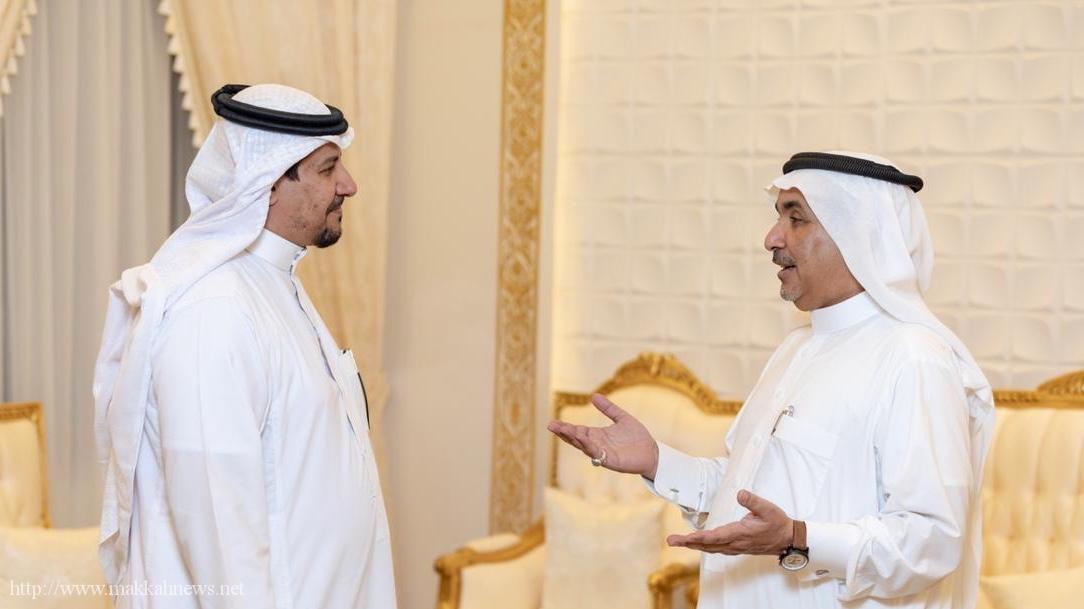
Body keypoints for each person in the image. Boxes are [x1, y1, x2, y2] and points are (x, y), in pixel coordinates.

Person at [549, 152, 994, 609]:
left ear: (858, 234)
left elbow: (931, 541)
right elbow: (747, 493)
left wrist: (797, 538)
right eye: (778, 217)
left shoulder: (915, 357)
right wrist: (658, 462)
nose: (772, 238)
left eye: (795, 219)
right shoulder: (796, 347)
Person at [92, 84, 395, 608]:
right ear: (269, 182)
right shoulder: (213, 311)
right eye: (328, 169)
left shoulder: (274, 285)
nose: (349, 185)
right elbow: (219, 531)